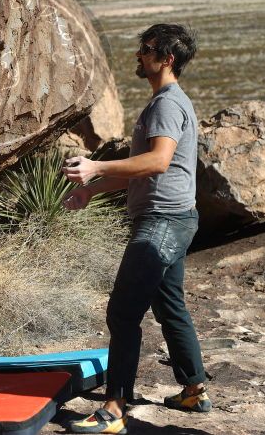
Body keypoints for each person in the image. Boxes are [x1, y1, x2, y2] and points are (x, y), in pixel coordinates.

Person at [63, 24, 209, 434]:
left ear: (168, 59)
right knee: (170, 306)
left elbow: (158, 162)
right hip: (173, 218)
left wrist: (95, 166)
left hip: (163, 221)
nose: (139, 56)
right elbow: (139, 171)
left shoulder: (166, 104)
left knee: (124, 312)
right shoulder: (165, 102)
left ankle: (113, 410)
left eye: (147, 50)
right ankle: (194, 388)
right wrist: (92, 190)